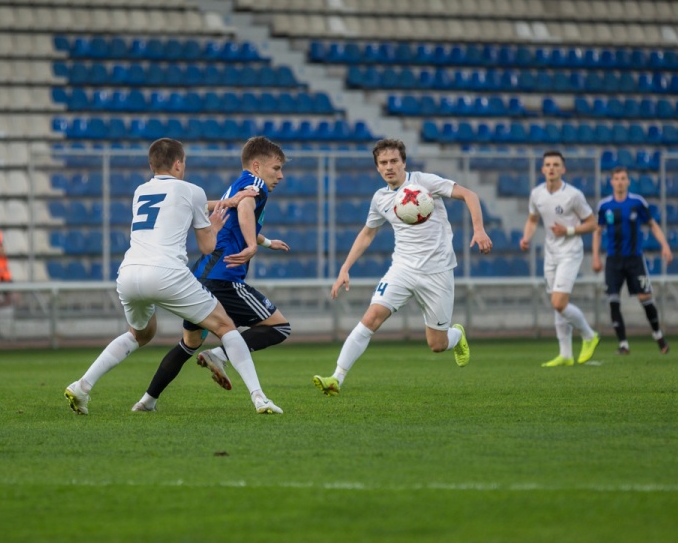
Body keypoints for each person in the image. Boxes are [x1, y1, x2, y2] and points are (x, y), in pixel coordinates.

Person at [64, 137, 282, 416]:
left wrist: (227, 201)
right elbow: (208, 247)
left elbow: (178, 203)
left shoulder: (140, 191)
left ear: (152, 165)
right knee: (225, 326)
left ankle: (82, 386)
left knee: (139, 334)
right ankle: (259, 398)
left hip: (129, 273)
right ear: (179, 164)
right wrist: (214, 226)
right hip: (167, 273)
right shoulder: (192, 190)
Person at [312, 138, 492, 396]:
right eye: (383, 162)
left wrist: (479, 229)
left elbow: (469, 194)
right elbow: (367, 233)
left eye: (394, 161)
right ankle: (336, 378)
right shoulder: (380, 198)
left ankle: (456, 335)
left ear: (403, 162)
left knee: (437, 344)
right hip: (402, 269)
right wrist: (345, 268)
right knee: (371, 317)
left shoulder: (424, 182)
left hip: (438, 271)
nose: (389, 167)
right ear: (377, 167)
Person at [131, 136, 291, 412]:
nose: (280, 175)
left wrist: (266, 242)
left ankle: (147, 400)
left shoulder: (238, 185)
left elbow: (235, 222)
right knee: (279, 327)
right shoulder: (255, 184)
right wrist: (252, 245)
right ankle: (220, 356)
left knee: (188, 343)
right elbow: (245, 208)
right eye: (276, 168)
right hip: (223, 277)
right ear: (256, 166)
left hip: (200, 276)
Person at [520, 150, 600, 367]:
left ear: (563, 169)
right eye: (548, 165)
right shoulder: (537, 194)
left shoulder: (573, 195)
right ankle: (565, 354)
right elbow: (532, 219)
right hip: (551, 253)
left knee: (559, 302)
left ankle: (589, 335)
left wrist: (569, 231)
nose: (551, 168)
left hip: (570, 252)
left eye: (556, 165)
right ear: (542, 169)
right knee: (557, 304)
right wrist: (526, 237)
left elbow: (592, 223)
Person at [592, 166, 672, 355]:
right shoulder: (604, 206)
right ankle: (623, 344)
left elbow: (652, 225)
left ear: (628, 181)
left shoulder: (637, 202)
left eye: (623, 178)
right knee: (613, 300)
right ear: (611, 182)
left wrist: (665, 245)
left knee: (645, 298)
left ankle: (658, 335)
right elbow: (597, 231)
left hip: (635, 259)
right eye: (617, 179)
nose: (620, 182)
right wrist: (595, 256)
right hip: (613, 260)